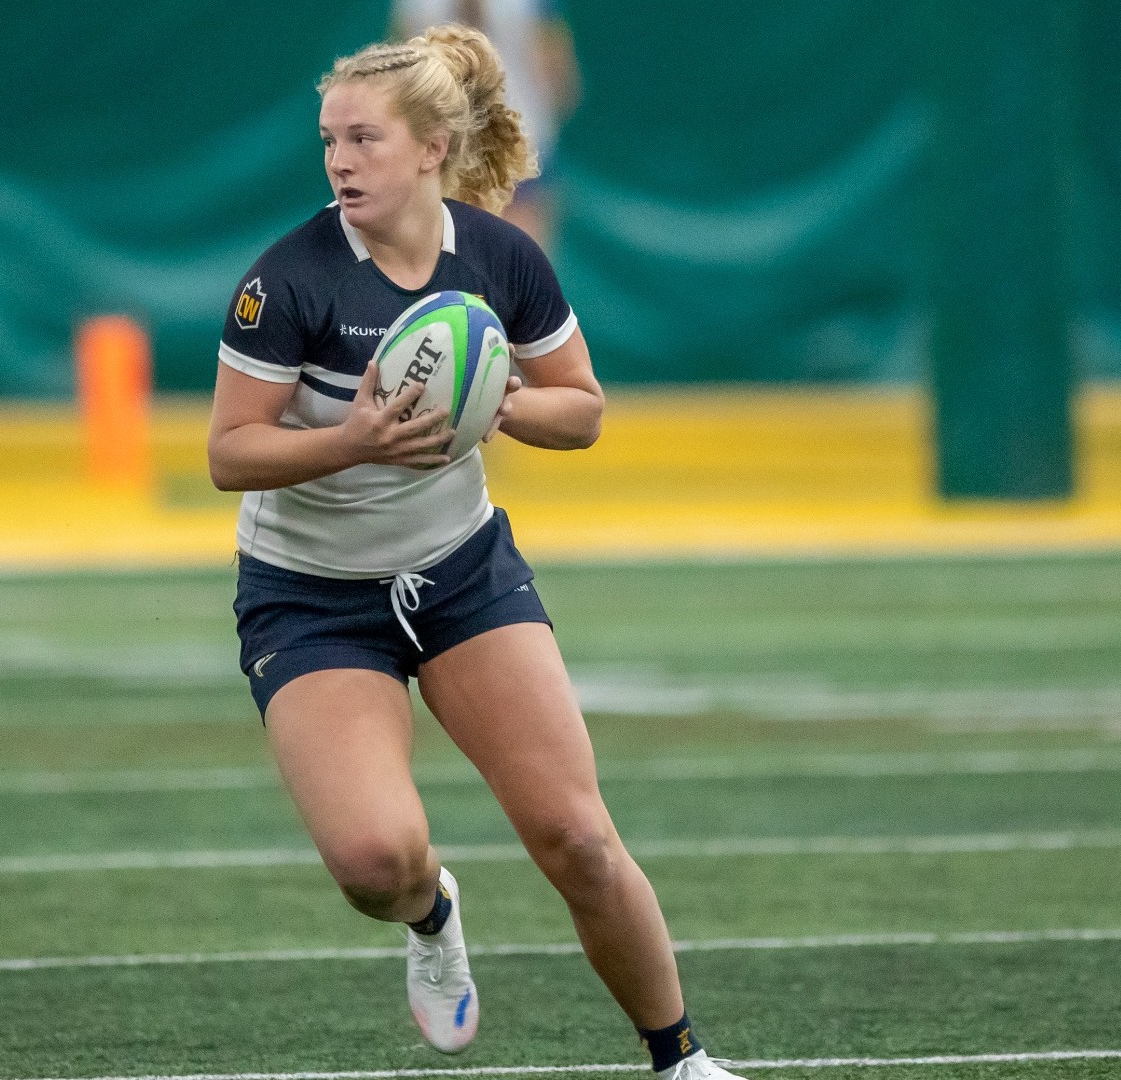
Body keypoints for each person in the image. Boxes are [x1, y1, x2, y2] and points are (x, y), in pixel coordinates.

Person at [207, 25, 744, 1080]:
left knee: (580, 840)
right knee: (374, 863)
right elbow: (229, 453)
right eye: (329, 141)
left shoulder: (500, 258)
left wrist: (491, 401)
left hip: (461, 571)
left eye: (363, 139)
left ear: (432, 150)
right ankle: (431, 914)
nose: (340, 161)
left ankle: (682, 1061)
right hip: (313, 597)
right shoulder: (291, 279)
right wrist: (349, 440)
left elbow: (582, 411)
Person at [393, 0, 580, 246]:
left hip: (477, 143)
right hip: (501, 140)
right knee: (518, 263)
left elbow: (401, 65)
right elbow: (559, 73)